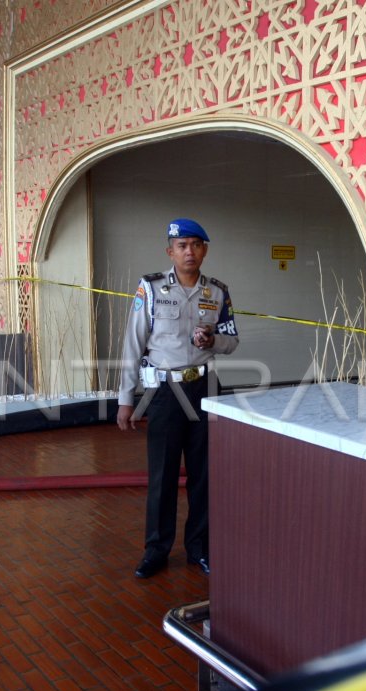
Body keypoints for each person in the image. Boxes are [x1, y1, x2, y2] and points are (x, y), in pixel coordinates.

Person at [117, 218, 240, 579]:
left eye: (196, 245)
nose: (190, 251)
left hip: (205, 388)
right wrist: (126, 398)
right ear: (170, 250)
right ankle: (156, 549)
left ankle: (199, 548)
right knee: (163, 473)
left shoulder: (218, 292)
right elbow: (132, 344)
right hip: (165, 391)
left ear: (205, 250)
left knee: (204, 473)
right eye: (182, 245)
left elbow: (232, 339)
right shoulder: (151, 288)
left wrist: (213, 341)